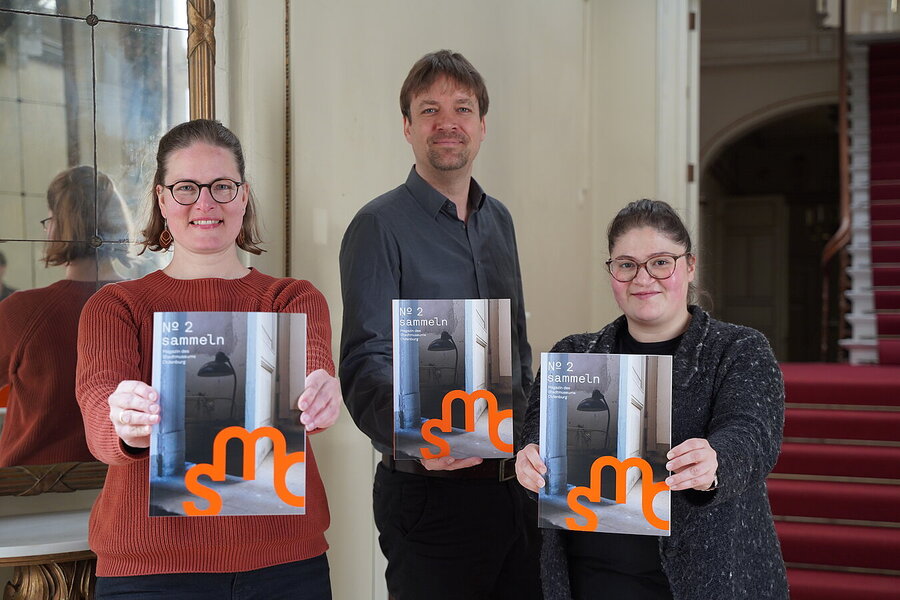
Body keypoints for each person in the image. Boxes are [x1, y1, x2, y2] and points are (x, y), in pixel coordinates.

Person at [75, 119, 339, 599]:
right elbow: (99, 414)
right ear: (161, 200)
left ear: (242, 197)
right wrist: (123, 424)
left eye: (222, 186)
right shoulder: (116, 306)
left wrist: (319, 396)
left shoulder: (291, 298)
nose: (205, 203)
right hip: (149, 570)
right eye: (185, 188)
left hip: (285, 564)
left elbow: (312, 375)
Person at [339, 49, 541, 599]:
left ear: (481, 126)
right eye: (429, 110)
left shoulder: (500, 221)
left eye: (463, 108)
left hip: (515, 492)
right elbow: (364, 363)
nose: (447, 122)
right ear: (407, 127)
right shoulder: (377, 226)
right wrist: (416, 437)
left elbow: (517, 353)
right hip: (431, 495)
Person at [516, 199, 788, 599]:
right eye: (626, 264)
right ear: (611, 272)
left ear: (689, 265)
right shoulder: (574, 354)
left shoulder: (738, 348)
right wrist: (529, 462)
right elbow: (535, 439)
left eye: (661, 262)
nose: (642, 278)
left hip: (705, 581)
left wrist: (716, 460)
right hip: (591, 580)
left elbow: (751, 432)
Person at [0, 166, 130, 467]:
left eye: (49, 220)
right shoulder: (147, 303)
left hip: (31, 495)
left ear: (59, 225)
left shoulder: (23, 311)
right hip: (122, 485)